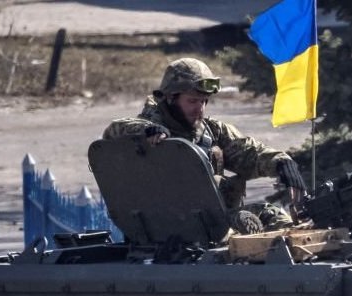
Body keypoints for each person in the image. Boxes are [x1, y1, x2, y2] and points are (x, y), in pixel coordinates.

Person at [102, 58, 306, 233]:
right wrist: (145, 132)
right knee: (240, 221)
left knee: (275, 216)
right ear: (171, 98)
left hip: (211, 222)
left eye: (204, 101)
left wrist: (282, 163)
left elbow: (249, 153)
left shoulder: (211, 131)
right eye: (192, 101)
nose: (200, 109)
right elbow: (114, 132)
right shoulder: (147, 131)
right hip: (168, 226)